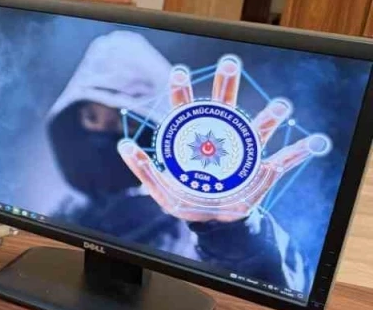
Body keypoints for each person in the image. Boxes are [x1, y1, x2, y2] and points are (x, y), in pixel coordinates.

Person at [45, 30, 320, 294]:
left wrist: (230, 232)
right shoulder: (68, 215)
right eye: (91, 117)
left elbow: (279, 288)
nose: (103, 134)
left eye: (125, 121)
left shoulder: (188, 226)